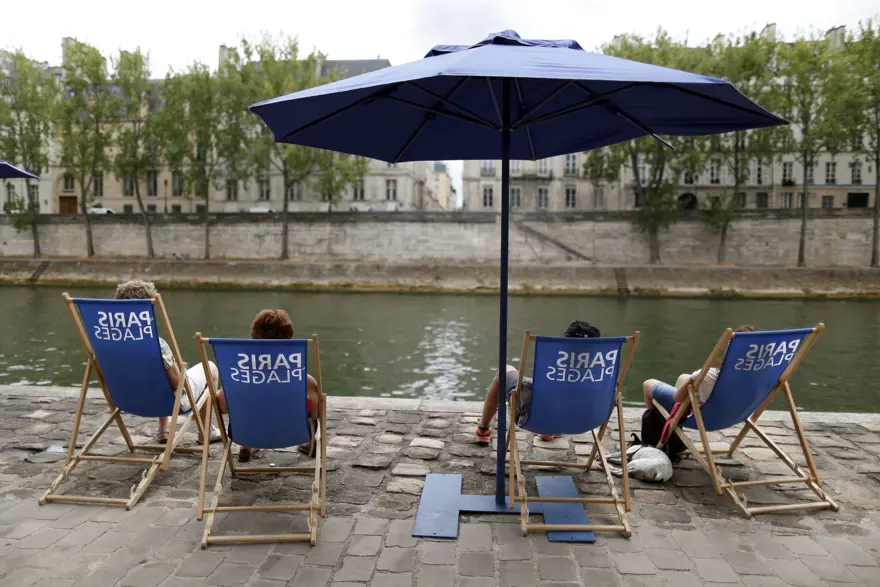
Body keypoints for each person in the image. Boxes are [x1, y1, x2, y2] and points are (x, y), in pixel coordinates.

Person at [114, 280, 221, 444]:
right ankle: (205, 431)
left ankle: (164, 430)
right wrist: (178, 369)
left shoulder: (109, 342)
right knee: (210, 368)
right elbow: (179, 385)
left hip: (126, 400)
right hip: (164, 402)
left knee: (154, 374)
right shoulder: (156, 344)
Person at [213, 309, 321, 462]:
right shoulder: (305, 381)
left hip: (246, 432)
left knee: (246, 403)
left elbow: (222, 407)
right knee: (310, 414)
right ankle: (309, 443)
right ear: (289, 339)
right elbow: (316, 414)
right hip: (293, 433)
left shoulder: (240, 377)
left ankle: (247, 444)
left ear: (254, 337)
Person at [475, 320, 602, 444]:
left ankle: (483, 430)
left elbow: (535, 392)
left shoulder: (556, 360)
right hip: (585, 422)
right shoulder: (603, 372)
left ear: (565, 341)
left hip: (540, 417)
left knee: (504, 372)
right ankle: (550, 430)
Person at [643, 324, 757, 411]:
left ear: (730, 348)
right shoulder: (758, 376)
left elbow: (677, 398)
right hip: (732, 414)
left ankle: (657, 431)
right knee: (683, 377)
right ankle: (671, 427)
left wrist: (692, 379)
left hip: (705, 416)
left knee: (648, 383)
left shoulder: (708, 375)